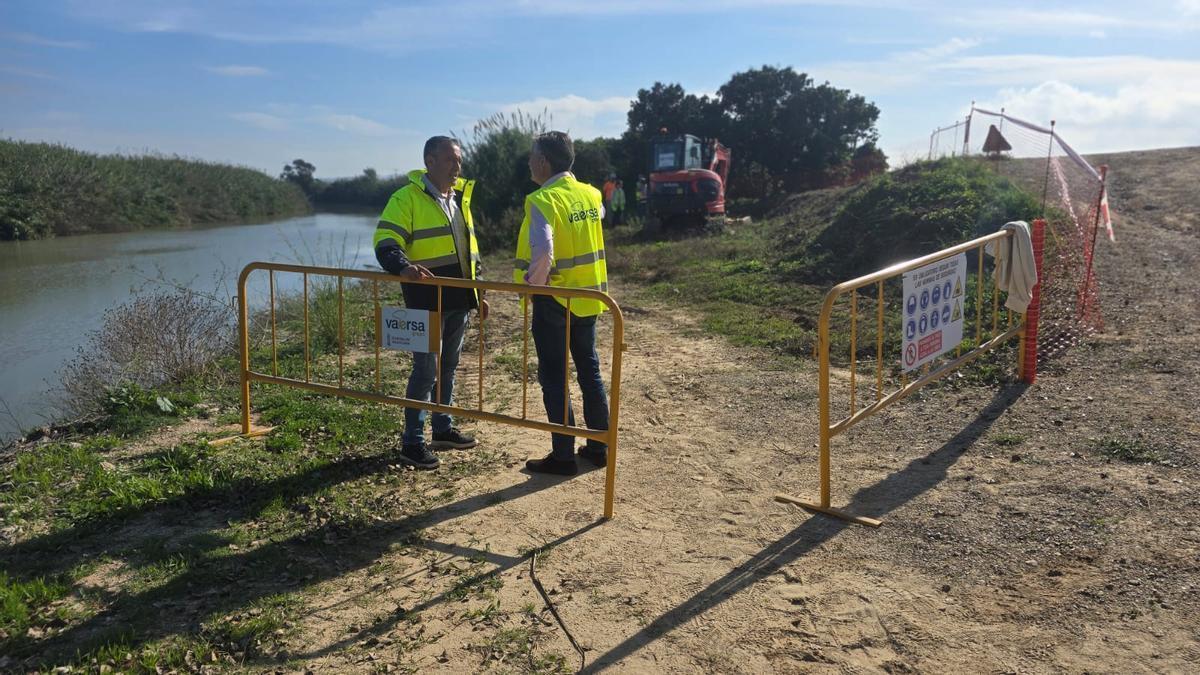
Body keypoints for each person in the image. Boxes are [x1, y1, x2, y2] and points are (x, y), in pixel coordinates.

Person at [374, 136, 488, 470]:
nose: (458, 167)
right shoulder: (406, 198)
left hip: (459, 300)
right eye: (451, 159)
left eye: (460, 160)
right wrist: (403, 266)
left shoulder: (459, 199)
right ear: (430, 161)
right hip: (424, 301)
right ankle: (412, 442)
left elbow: (471, 254)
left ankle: (441, 428)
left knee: (448, 368)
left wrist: (479, 294)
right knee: (425, 371)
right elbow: (385, 241)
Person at [515, 131, 611, 476]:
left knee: (554, 376)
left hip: (555, 299)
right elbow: (595, 218)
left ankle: (563, 455)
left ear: (543, 162)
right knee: (590, 370)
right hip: (590, 297)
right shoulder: (591, 194)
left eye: (531, 156)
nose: (529, 162)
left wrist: (534, 287)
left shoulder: (543, 199)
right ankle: (599, 447)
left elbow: (543, 250)